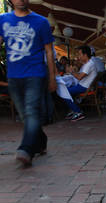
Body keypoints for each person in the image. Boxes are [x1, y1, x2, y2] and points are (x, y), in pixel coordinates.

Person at [0, 0, 56, 166]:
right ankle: (41, 140)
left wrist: (52, 78)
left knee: (31, 111)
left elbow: (49, 52)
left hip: (35, 74)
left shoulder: (41, 22)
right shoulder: (3, 20)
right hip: (13, 76)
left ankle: (26, 149)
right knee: (24, 115)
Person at [63, 45, 97, 122]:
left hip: (84, 87)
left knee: (64, 92)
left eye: (79, 54)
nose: (78, 56)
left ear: (85, 55)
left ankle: (78, 112)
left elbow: (79, 77)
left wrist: (71, 71)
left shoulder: (89, 64)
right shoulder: (88, 63)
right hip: (83, 85)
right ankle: (73, 109)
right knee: (67, 89)